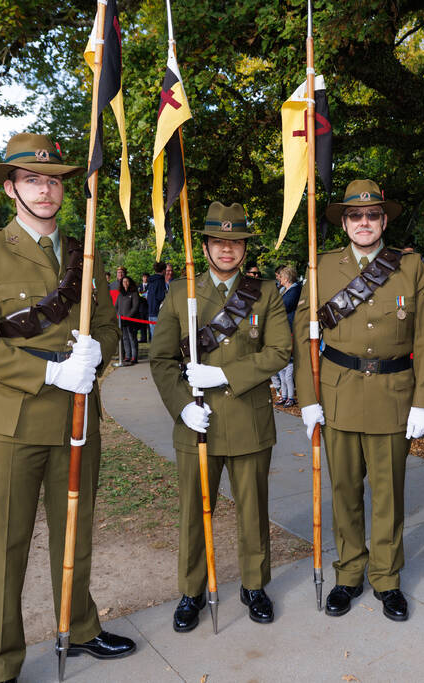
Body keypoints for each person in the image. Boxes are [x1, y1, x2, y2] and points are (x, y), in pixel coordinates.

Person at [0, 132, 132, 682]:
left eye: (53, 180)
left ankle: (78, 627)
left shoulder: (85, 251)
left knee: (76, 531)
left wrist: (95, 358)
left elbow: (104, 325)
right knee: (6, 545)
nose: (46, 190)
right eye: (32, 179)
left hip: (77, 417)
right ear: (11, 189)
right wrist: (50, 371)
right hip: (13, 420)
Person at [294, 179, 424, 622]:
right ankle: (349, 573)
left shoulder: (411, 267)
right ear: (343, 222)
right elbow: (303, 333)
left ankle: (387, 578)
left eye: (372, 215)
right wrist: (307, 397)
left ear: (383, 220)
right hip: (338, 391)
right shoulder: (322, 267)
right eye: (354, 216)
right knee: (344, 491)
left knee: (389, 493)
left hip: (393, 394)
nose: (363, 222)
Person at [150, 201, 291, 631]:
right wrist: (182, 406)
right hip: (198, 421)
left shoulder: (265, 293)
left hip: (249, 419)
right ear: (206, 245)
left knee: (253, 509)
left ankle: (254, 585)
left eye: (235, 242)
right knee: (195, 512)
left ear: (245, 248)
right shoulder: (180, 293)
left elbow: (279, 350)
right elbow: (161, 359)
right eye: (218, 241)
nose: (227, 249)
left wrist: (224, 372)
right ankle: (192, 591)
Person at [275, 265, 301, 407]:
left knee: (288, 371)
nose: (280, 279)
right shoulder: (285, 290)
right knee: (282, 370)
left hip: (291, 329)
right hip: (284, 329)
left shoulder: (294, 290)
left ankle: (290, 396)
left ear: (287, 278)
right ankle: (284, 395)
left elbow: (283, 306)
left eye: (281, 277)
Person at [115, 275, 141, 365]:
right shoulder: (120, 294)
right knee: (125, 338)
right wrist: (118, 315)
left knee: (132, 338)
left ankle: (134, 357)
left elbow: (135, 307)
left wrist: (128, 317)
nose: (125, 283)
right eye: (123, 282)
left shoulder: (134, 293)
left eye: (127, 281)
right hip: (121, 321)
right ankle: (128, 356)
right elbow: (116, 306)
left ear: (130, 283)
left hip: (131, 320)